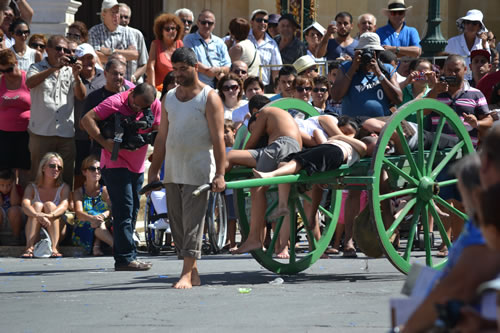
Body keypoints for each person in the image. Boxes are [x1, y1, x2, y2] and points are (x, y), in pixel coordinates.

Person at [148, 47, 226, 288]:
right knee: (178, 223)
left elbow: (218, 139)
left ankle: (185, 273)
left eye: (183, 69)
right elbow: (161, 138)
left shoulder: (209, 96)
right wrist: (153, 170)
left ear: (195, 67)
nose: (179, 74)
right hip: (173, 169)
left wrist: (220, 173)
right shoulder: (169, 96)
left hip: (199, 168)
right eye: (175, 70)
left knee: (193, 222)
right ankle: (193, 272)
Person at [402, 150, 500, 332]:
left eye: (461, 191)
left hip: (469, 300)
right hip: (463, 296)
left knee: (420, 284)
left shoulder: (485, 227)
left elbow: (461, 283)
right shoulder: (475, 221)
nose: (462, 198)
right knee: (416, 279)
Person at [81, 82, 160, 271]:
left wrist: (157, 151)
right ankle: (125, 259)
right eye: (135, 105)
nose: (138, 109)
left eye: (143, 107)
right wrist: (103, 142)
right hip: (115, 163)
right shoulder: (115, 102)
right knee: (124, 209)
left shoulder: (154, 104)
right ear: (131, 93)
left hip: (138, 165)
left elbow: (158, 131)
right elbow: (86, 119)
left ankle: (127, 254)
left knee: (132, 211)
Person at [228, 95, 302, 254]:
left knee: (257, 187)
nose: (254, 131)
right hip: (287, 148)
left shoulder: (265, 113)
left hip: (280, 146)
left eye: (252, 128)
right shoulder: (281, 121)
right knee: (256, 187)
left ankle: (255, 238)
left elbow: (251, 143)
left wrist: (243, 156)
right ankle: (256, 238)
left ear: (256, 116)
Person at [26, 35, 86, 189]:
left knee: (65, 175)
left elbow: (81, 95)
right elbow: (30, 83)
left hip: (65, 133)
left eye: (65, 50)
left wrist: (77, 76)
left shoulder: (69, 70)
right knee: (37, 173)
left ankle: (63, 208)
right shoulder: (37, 67)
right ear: (47, 50)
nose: (62, 52)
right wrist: (54, 69)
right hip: (41, 132)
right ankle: (35, 207)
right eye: (58, 48)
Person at [331, 32, 402, 118]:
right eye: (364, 51)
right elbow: (336, 96)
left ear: (379, 53)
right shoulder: (346, 67)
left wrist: (378, 73)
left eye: (373, 52)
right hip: (354, 125)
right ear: (358, 52)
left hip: (382, 123)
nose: (368, 55)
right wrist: (352, 69)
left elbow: (398, 99)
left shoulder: (387, 69)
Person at [21, 152, 70, 258]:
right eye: (52, 166)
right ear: (43, 168)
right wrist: (38, 215)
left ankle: (54, 247)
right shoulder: (31, 187)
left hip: (57, 228)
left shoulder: (64, 187)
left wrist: (48, 215)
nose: (56, 169)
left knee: (49, 205)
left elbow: (64, 206)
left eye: (59, 167)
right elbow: (25, 205)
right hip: (37, 230)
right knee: (37, 205)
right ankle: (29, 246)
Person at [73, 43, 106, 189]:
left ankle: (97, 200)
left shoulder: (104, 76)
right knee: (80, 169)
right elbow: (81, 96)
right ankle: (78, 200)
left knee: (98, 168)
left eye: (90, 57)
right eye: (82, 58)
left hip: (100, 133)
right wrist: (76, 77)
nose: (87, 61)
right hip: (79, 133)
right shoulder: (73, 77)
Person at [0, 49, 31, 186]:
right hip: (4, 133)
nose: (7, 74)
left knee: (25, 169)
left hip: (26, 133)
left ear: (17, 63)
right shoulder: (0, 81)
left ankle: (24, 198)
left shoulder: (28, 79)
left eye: (9, 69)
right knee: (5, 170)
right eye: (2, 71)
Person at [88, 0, 140, 81]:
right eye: (113, 12)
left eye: (117, 12)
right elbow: (95, 56)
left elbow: (134, 55)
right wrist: (122, 57)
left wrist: (110, 51)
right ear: (103, 14)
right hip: (103, 83)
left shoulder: (128, 32)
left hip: (125, 84)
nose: (116, 15)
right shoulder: (94, 32)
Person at [72, 156, 113, 256]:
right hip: (84, 227)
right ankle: (116, 246)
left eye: (99, 169)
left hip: (103, 225)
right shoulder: (78, 192)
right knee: (95, 219)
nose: (96, 171)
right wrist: (92, 218)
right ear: (84, 172)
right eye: (92, 169)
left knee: (99, 222)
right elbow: (79, 213)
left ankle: (97, 245)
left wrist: (102, 216)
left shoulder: (105, 190)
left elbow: (111, 209)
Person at [183, 9, 231, 88]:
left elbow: (227, 66)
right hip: (197, 86)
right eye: (203, 22)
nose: (206, 25)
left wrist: (218, 70)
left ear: (214, 25)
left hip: (217, 87)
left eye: (210, 23)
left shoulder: (219, 42)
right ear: (198, 23)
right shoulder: (189, 39)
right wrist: (207, 71)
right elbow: (190, 60)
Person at [445, 9, 489, 81]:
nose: (470, 25)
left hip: (478, 82)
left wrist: (484, 45)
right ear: (464, 24)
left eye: (474, 23)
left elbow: (488, 63)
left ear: (479, 26)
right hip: (456, 82)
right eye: (467, 22)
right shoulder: (452, 42)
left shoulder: (484, 43)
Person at [146, 13, 184, 90]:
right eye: (167, 29)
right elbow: (150, 67)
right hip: (160, 89)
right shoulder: (155, 44)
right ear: (161, 31)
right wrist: (153, 88)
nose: (171, 31)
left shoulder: (180, 44)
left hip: (178, 88)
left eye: (173, 28)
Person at [248, 9, 282, 92]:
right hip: (245, 86)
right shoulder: (244, 38)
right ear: (252, 22)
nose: (263, 23)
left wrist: (277, 89)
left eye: (265, 21)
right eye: (259, 20)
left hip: (263, 87)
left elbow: (276, 69)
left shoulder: (272, 43)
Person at [117, 3, 147, 84]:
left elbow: (144, 63)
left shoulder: (137, 34)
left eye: (126, 17)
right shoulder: (108, 34)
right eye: (120, 16)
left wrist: (133, 78)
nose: (123, 19)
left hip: (134, 85)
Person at [0, 169, 23, 241]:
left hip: (15, 218)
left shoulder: (17, 188)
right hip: (2, 217)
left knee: (14, 210)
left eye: (9, 185)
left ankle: (16, 239)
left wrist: (13, 187)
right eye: (2, 185)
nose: (5, 188)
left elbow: (14, 203)